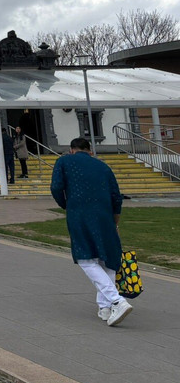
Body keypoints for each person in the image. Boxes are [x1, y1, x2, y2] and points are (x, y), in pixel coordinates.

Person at [51, 137, 132, 326]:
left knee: (85, 258)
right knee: (108, 260)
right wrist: (115, 221)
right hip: (105, 215)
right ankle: (104, 307)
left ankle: (117, 301)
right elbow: (116, 197)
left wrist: (67, 204)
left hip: (79, 214)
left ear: (71, 150)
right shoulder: (103, 167)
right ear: (90, 151)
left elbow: (56, 187)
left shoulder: (63, 161)